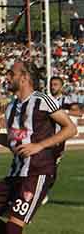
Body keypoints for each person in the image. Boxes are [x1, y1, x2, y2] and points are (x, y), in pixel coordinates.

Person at [0, 61, 77, 234]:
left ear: (24, 78)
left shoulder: (43, 100)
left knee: (13, 227)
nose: (7, 77)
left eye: (11, 73)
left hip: (38, 171)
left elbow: (71, 128)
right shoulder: (10, 107)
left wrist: (40, 145)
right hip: (15, 172)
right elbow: (15, 142)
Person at [43, 76, 81, 205]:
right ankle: (39, 191)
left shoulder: (66, 100)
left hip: (59, 139)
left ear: (61, 86)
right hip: (45, 137)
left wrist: (63, 111)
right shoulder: (46, 99)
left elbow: (79, 113)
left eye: (56, 84)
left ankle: (45, 191)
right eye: (51, 84)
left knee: (53, 168)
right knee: (41, 165)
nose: (53, 87)